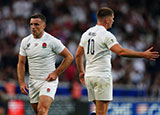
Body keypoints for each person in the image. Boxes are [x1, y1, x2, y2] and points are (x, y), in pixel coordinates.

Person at [75, 7, 159, 115]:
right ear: (107, 20)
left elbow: (78, 55)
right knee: (101, 112)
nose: (113, 21)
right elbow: (121, 52)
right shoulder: (106, 35)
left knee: (100, 110)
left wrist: (81, 71)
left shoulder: (86, 34)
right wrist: (143, 54)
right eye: (112, 18)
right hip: (101, 77)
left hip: (90, 76)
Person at [17, 13, 73, 115]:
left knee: (42, 110)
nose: (33, 27)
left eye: (36, 24)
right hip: (33, 82)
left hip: (48, 81)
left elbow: (69, 57)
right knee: (38, 112)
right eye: (31, 24)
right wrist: (21, 82)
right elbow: (21, 63)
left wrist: (56, 73)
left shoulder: (52, 41)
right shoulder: (25, 41)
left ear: (44, 26)